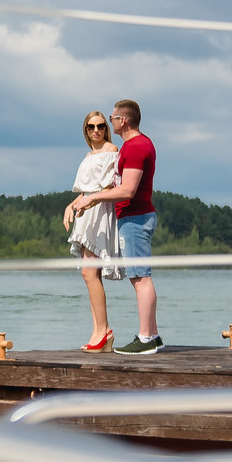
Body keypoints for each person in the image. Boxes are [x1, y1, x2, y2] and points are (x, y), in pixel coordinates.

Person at [68, 98, 162, 354]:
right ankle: (151, 335)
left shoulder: (135, 147)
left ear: (124, 120)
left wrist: (94, 198)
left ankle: (146, 338)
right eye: (93, 126)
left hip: (135, 218)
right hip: (132, 217)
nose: (106, 125)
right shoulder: (134, 146)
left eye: (110, 120)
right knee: (139, 277)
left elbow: (128, 190)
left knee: (141, 278)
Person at [60, 110, 121, 350]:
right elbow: (85, 190)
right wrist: (71, 204)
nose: (96, 131)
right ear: (85, 130)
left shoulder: (111, 151)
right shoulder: (89, 154)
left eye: (101, 126)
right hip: (86, 211)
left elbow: (107, 185)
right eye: (91, 127)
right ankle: (99, 331)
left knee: (90, 272)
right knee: (87, 274)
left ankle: (103, 331)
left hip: (99, 210)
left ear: (106, 128)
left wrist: (87, 201)